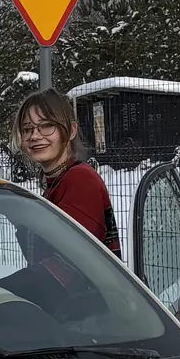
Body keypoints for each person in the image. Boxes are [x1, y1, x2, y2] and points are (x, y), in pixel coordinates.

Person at [15, 88, 120, 255]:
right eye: (27, 129)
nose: (34, 136)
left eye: (47, 125)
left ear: (71, 130)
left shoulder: (80, 180)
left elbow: (71, 266)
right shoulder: (56, 185)